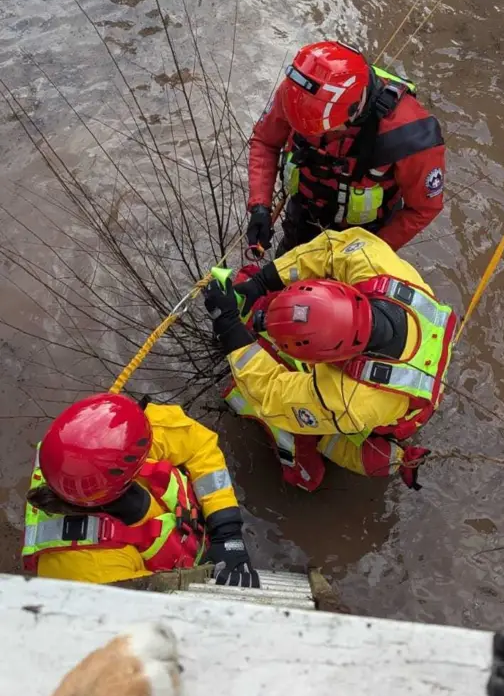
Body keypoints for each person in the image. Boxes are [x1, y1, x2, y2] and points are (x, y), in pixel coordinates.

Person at [205, 227, 456, 492]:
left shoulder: (349, 399)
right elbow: (331, 248)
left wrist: (230, 328)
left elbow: (273, 396)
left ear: (326, 361)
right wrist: (263, 282)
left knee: (319, 437)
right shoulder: (378, 267)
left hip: (393, 410)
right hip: (424, 361)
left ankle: (359, 450)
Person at [22, 393, 258, 587]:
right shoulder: (88, 572)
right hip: (173, 557)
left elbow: (199, 444)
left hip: (197, 530)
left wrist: (226, 529)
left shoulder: (117, 429)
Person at [247, 41, 445, 256]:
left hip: (365, 235)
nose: (318, 136)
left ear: (354, 110)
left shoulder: (410, 134)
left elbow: (423, 208)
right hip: (303, 216)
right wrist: (260, 206)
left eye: (325, 129)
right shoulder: (295, 93)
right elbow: (266, 141)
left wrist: (370, 253)